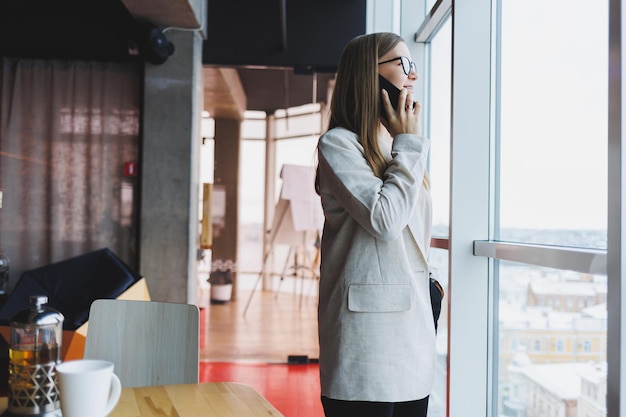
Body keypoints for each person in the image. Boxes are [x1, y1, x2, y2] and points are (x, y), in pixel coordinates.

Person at [315, 32, 439, 417]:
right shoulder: (338, 145)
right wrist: (409, 143)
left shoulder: (395, 147)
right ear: (369, 75)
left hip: (413, 336)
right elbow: (384, 220)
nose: (413, 76)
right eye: (403, 64)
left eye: (413, 64)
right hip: (367, 348)